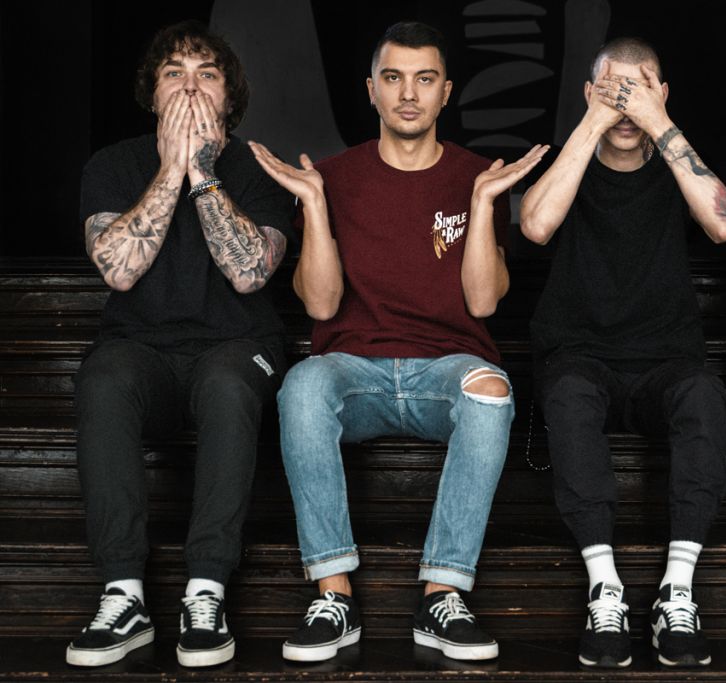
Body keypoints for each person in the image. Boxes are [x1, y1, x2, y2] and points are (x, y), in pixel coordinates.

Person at [250, 21, 548, 662]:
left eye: (424, 79)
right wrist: (315, 207)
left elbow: (483, 303)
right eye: (393, 78)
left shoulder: (477, 176)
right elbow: (321, 305)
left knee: (492, 391)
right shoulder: (332, 177)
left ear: (446, 92)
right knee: (302, 385)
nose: (408, 94)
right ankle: (334, 597)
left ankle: (442, 595)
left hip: (446, 373)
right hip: (354, 372)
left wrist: (483, 205)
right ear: (371, 90)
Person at [68, 20, 294, 668]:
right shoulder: (112, 165)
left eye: (207, 74)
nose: (191, 87)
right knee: (103, 381)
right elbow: (118, 270)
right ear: (152, 92)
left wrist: (201, 172)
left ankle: (206, 591)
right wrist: (170, 168)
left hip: (236, 346)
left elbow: (249, 272)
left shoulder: (259, 167)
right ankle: (124, 595)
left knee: (227, 386)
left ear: (230, 96)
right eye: (175, 73)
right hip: (140, 350)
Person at [519, 37, 726, 668]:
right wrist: (593, 121)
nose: (624, 103)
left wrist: (657, 123)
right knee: (567, 392)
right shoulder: (577, 158)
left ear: (662, 95)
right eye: (610, 89)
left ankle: (678, 589)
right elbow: (535, 225)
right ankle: (604, 588)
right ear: (589, 93)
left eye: (637, 88)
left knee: (705, 394)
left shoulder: (674, 160)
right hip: (580, 358)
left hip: (665, 361)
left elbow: (724, 224)